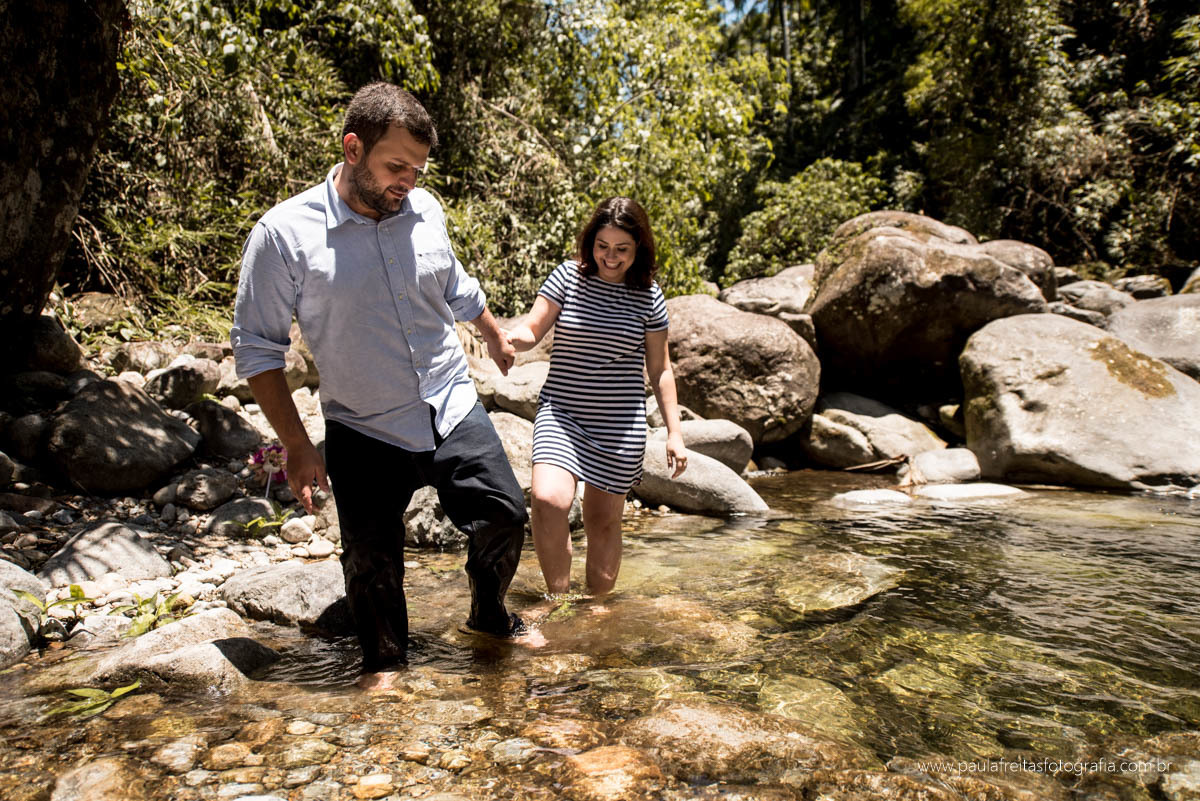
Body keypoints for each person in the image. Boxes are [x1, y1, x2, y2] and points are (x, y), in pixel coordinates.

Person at [230, 83, 528, 681]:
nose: (408, 183)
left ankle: (488, 616)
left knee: (505, 515)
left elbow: (455, 283)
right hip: (361, 425)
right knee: (372, 565)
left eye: (417, 170)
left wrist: (493, 334)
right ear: (351, 149)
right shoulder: (283, 234)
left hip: (448, 400)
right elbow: (258, 349)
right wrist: (296, 444)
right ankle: (386, 668)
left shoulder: (426, 210)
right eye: (396, 167)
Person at [505, 197, 687, 599]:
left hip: (619, 424)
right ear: (591, 242)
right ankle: (559, 599)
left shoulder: (649, 296)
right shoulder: (568, 277)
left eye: (621, 249)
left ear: (639, 249)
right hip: (563, 412)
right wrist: (509, 338)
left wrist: (674, 432)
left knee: (604, 521)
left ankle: (598, 610)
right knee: (547, 499)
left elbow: (660, 369)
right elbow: (533, 328)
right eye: (602, 246)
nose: (610, 257)